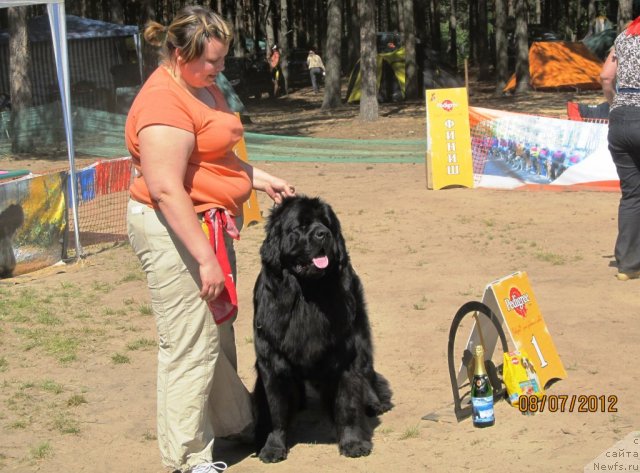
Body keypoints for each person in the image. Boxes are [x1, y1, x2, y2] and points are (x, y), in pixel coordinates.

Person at [124, 6, 296, 473]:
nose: (219, 70)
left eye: (221, 61)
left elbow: (217, 158)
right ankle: (186, 457)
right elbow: (165, 187)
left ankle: (235, 421)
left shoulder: (200, 87)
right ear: (180, 54)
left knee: (215, 332)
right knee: (188, 341)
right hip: (174, 229)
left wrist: (260, 179)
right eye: (211, 62)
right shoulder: (164, 103)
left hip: (207, 226)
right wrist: (204, 258)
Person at [600, 16, 640, 281]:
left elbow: (605, 77)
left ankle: (627, 264)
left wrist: (615, 105)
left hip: (620, 121)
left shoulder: (623, 37)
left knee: (632, 195)